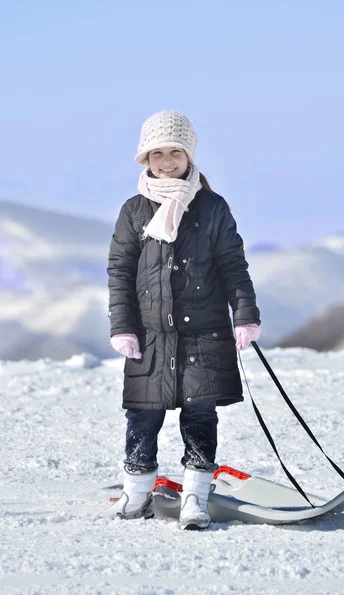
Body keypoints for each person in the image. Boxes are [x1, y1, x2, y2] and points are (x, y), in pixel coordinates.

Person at [99, 110, 261, 529]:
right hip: (150, 337)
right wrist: (122, 326)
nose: (167, 161)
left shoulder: (212, 208)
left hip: (204, 334)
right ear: (145, 159)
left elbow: (232, 266)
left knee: (201, 416)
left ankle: (196, 498)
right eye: (157, 153)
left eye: (175, 151)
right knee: (143, 414)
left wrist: (244, 315)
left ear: (189, 155)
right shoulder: (134, 211)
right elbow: (120, 271)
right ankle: (136, 495)